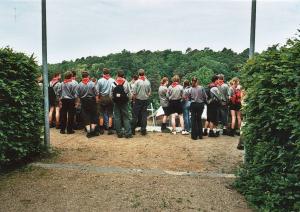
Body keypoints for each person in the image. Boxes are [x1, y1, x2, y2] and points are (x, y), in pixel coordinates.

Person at [76, 71, 99, 138]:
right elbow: (96, 93)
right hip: (92, 101)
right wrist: (97, 101)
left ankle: (88, 132)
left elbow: (77, 95)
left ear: (82, 77)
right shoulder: (92, 83)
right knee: (93, 116)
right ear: (88, 76)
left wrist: (78, 103)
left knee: (86, 117)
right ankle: (93, 131)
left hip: (84, 102)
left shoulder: (79, 84)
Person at [110, 70, 132, 138]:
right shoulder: (126, 83)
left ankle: (119, 133)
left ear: (117, 75)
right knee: (126, 117)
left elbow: (111, 94)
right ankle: (128, 133)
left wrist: (114, 100)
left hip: (116, 102)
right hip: (124, 102)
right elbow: (129, 93)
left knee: (117, 117)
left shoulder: (113, 83)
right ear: (123, 75)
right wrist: (128, 100)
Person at [131, 69, 151, 136]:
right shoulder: (148, 82)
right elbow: (149, 92)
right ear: (144, 74)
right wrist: (146, 96)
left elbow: (134, 93)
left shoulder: (136, 82)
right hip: (145, 100)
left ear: (138, 74)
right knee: (144, 116)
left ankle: (132, 130)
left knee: (135, 115)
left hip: (138, 100)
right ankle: (143, 131)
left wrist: (134, 101)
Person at [96, 68, 115, 135]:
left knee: (101, 114)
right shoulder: (112, 80)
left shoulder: (100, 80)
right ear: (109, 73)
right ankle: (110, 129)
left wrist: (97, 99)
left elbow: (97, 91)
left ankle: (101, 129)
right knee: (110, 114)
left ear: (103, 73)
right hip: (110, 98)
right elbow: (114, 90)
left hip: (102, 98)